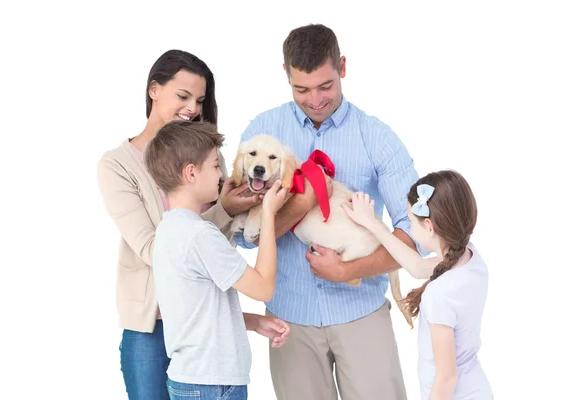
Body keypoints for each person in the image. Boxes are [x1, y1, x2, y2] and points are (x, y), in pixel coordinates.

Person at [234, 24, 420, 400]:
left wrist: (349, 270)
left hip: (361, 311)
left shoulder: (376, 136)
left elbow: (415, 232)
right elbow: (242, 236)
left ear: (343, 67)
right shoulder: (263, 134)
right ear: (285, 74)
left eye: (325, 86)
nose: (315, 99)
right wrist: (299, 205)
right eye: (301, 89)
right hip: (289, 318)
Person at [96, 49, 289, 399]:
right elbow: (160, 250)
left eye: (200, 100)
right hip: (150, 328)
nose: (193, 108)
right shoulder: (117, 165)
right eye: (183, 96)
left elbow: (217, 261)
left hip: (204, 331)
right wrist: (225, 210)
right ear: (154, 89)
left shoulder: (203, 154)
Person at [144, 120, 288, 400]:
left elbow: (195, 313)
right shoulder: (200, 235)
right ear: (191, 173)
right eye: (214, 165)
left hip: (192, 378)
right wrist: (268, 213)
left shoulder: (169, 229)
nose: (222, 173)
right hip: (212, 384)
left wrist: (253, 322)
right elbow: (263, 287)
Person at [343, 170, 493, 400]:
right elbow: (416, 266)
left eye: (410, 221)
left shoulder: (438, 295)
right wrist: (372, 224)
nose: (410, 229)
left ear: (429, 227)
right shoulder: (470, 256)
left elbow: (446, 378)